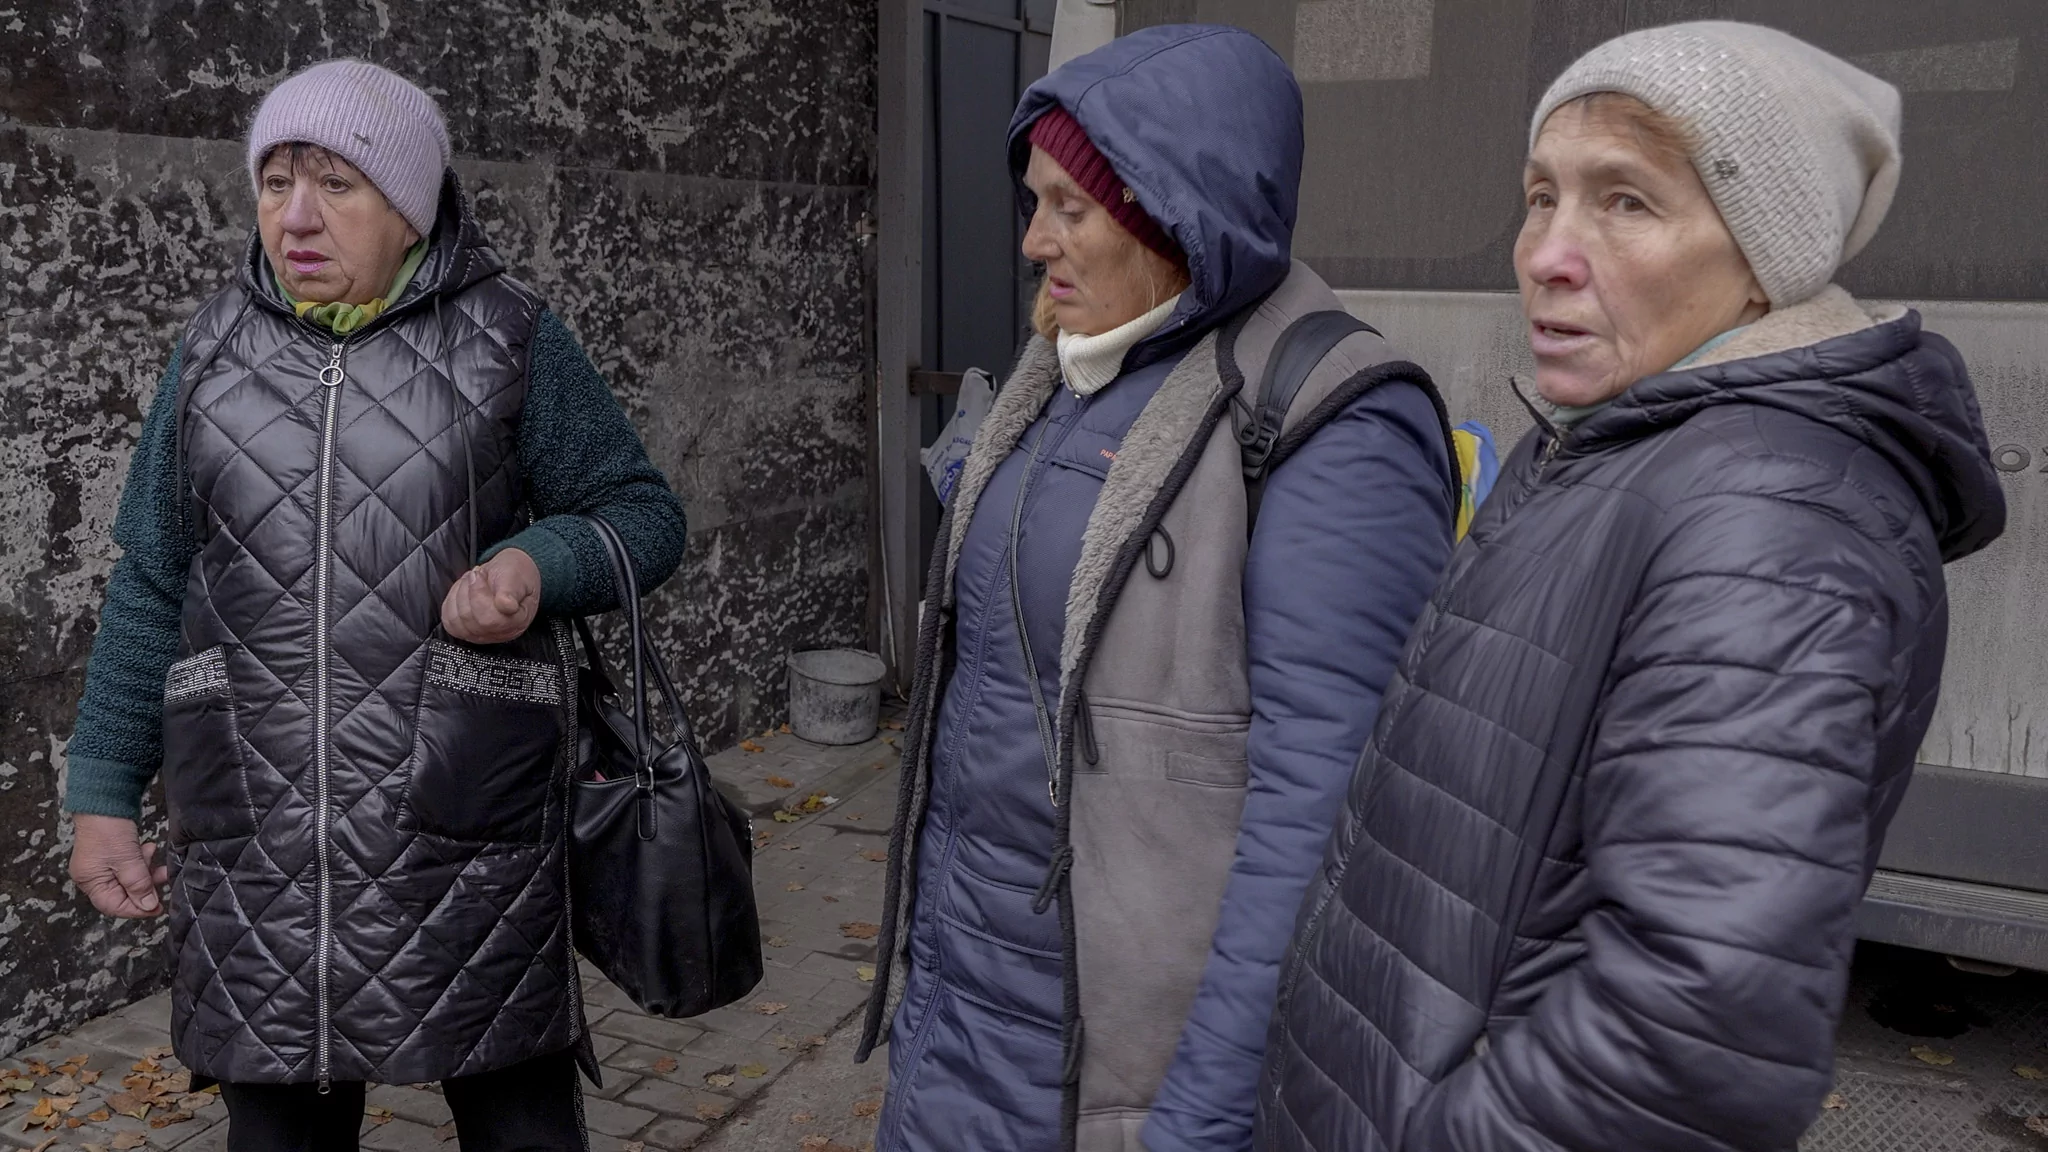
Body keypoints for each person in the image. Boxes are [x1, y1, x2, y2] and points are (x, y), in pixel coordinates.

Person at [1257, 22, 2007, 1152]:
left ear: (1766, 260)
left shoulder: (1771, 521)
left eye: (1625, 202)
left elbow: (1693, 1038)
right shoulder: (1613, 447)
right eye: (1538, 194)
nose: (1544, 252)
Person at [62, 59, 686, 1150]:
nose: (294, 217)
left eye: (335, 184)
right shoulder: (209, 353)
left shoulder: (508, 337)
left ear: (410, 206)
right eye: (274, 183)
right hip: (257, 839)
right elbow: (153, 578)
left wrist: (539, 566)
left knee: (519, 1127)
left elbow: (640, 516)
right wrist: (103, 793)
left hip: (465, 829)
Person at [856, 25, 1459, 1152]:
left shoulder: (1336, 425)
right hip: (969, 1015)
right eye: (1032, 202)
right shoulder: (1076, 371)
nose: (1033, 241)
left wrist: (1205, 1115)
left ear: (1182, 205)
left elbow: (1321, 825)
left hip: (1118, 1078)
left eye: (1069, 208)